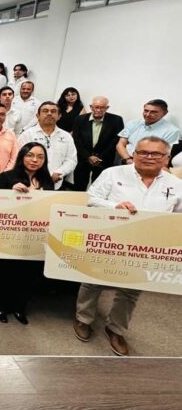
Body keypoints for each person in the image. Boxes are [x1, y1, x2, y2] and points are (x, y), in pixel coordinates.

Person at [74, 136, 182, 356]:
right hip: (109, 240)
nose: (148, 157)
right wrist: (114, 206)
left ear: (166, 158)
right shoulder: (113, 174)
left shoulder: (176, 185)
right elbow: (90, 199)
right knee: (92, 281)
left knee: (131, 290)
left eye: (156, 154)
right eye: (143, 152)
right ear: (133, 154)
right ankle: (83, 319)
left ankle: (116, 329)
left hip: (146, 247)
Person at [0, 142, 54, 324]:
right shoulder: (7, 177)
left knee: (29, 273)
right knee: (6, 272)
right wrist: (11, 192)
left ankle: (19, 307)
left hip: (35, 235)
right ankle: (0, 305)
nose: (35, 160)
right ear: (22, 157)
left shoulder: (47, 181)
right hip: (10, 234)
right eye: (30, 155)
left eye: (40, 157)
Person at [18, 102, 78, 190]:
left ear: (59, 116)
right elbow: (19, 158)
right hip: (30, 184)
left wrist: (60, 172)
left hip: (56, 183)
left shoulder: (66, 136)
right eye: (45, 111)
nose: (49, 113)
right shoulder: (27, 135)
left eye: (53, 111)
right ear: (37, 116)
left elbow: (71, 159)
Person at [72, 96, 125, 191]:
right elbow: (76, 140)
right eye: (96, 107)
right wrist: (88, 156)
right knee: (79, 186)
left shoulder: (116, 120)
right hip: (83, 159)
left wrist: (99, 157)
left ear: (107, 108)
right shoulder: (80, 119)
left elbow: (115, 141)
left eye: (102, 107)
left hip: (104, 159)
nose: (99, 110)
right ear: (91, 107)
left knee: (99, 189)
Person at [116, 99, 180, 163]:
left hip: (149, 162)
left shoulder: (172, 131)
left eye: (153, 112)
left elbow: (165, 154)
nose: (147, 114)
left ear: (164, 113)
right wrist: (128, 159)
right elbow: (120, 144)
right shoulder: (132, 123)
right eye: (146, 111)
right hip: (126, 158)